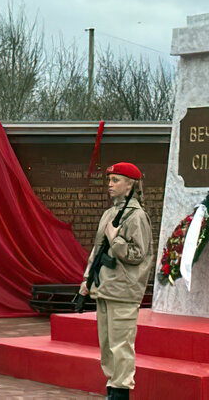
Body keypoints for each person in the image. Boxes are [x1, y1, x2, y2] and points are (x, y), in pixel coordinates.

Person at [79, 162, 153, 400]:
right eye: (109, 180)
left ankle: (121, 392)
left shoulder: (137, 216)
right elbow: (97, 250)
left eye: (115, 180)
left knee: (121, 347)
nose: (109, 185)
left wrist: (116, 239)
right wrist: (87, 279)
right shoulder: (110, 213)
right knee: (108, 346)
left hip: (123, 289)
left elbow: (137, 255)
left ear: (130, 184)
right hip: (105, 287)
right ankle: (113, 388)